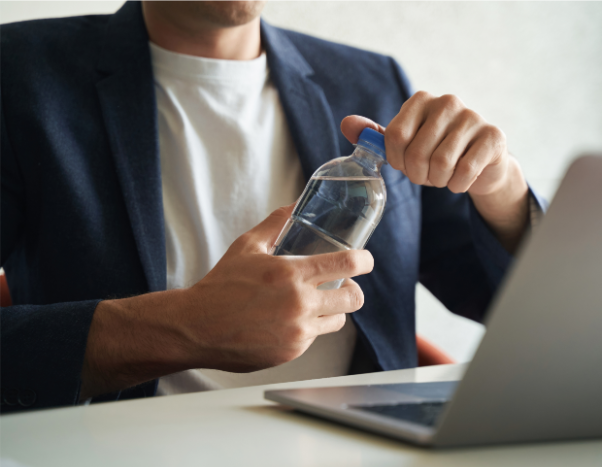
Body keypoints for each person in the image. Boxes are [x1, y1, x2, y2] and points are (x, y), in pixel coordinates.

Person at [0, 1, 543, 413]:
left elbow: (517, 306)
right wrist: (182, 326)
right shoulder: (20, 73)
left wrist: (500, 188)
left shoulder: (372, 80)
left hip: (365, 444)